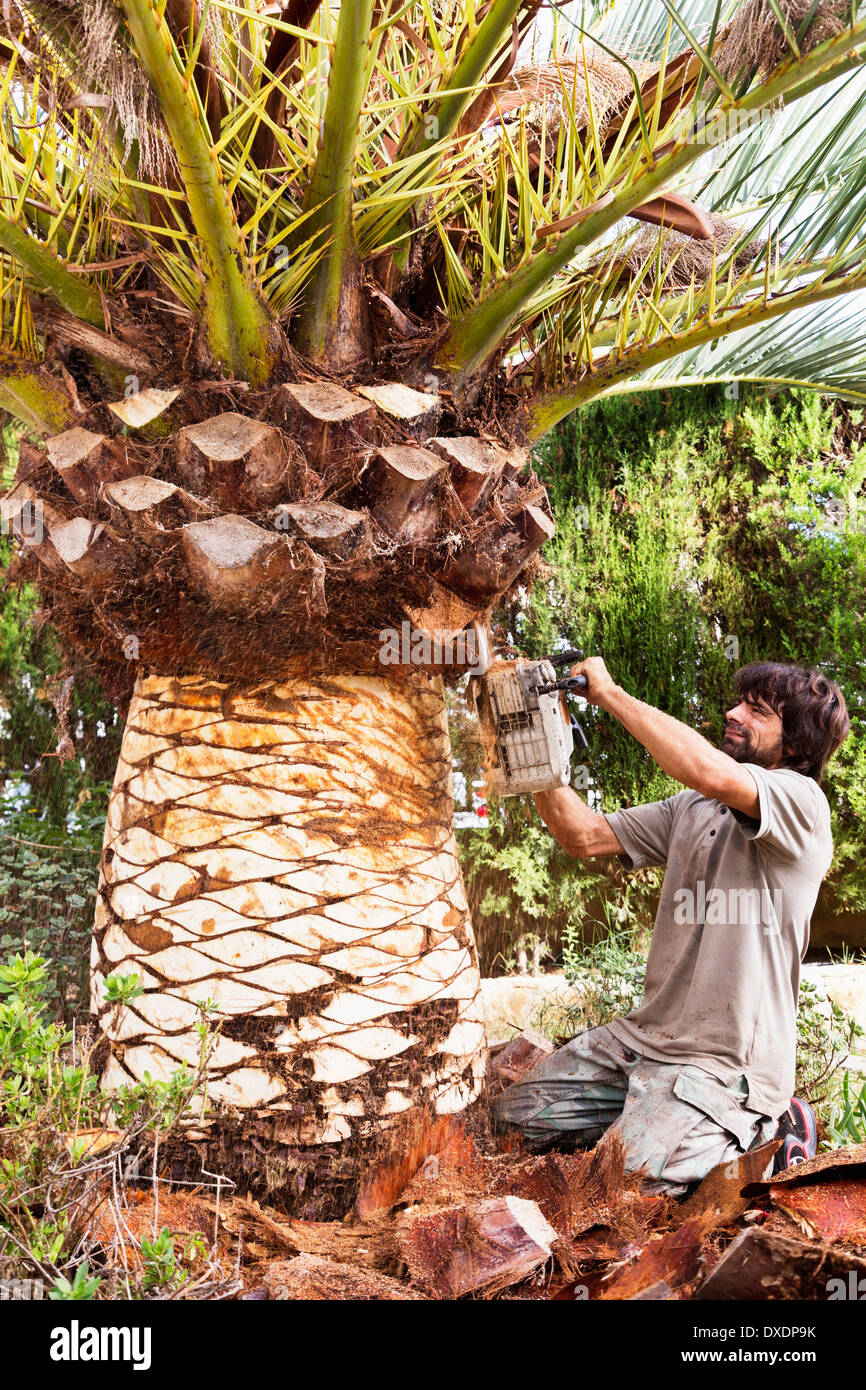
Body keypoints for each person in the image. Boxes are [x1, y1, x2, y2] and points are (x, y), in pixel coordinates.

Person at [492, 659, 850, 1191]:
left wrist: (609, 693)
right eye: (738, 703)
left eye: (755, 711)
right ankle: (659, 1127)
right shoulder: (695, 807)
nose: (732, 714)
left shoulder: (803, 804)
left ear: (795, 745)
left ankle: (767, 1130)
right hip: (644, 1041)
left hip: (726, 1068)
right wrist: (527, 742)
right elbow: (583, 835)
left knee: (626, 1191)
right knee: (510, 1121)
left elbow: (706, 769)